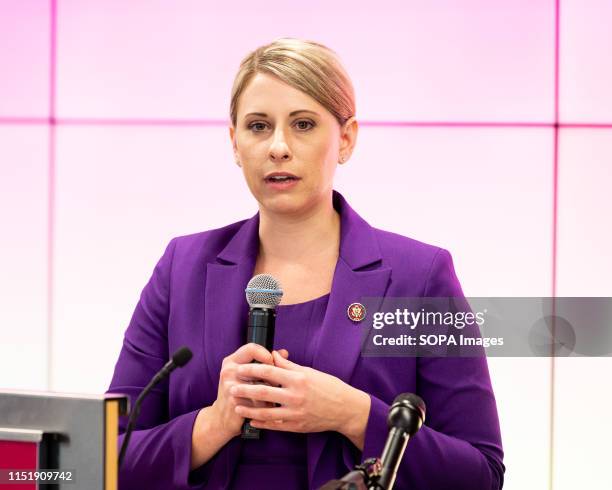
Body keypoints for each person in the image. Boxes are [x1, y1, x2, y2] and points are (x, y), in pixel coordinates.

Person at [107, 38, 504, 489]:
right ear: (234, 142)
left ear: (346, 139)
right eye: (258, 126)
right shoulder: (182, 269)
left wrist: (352, 413)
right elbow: (107, 457)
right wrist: (215, 422)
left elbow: (481, 475)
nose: (278, 147)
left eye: (303, 124)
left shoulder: (419, 276)